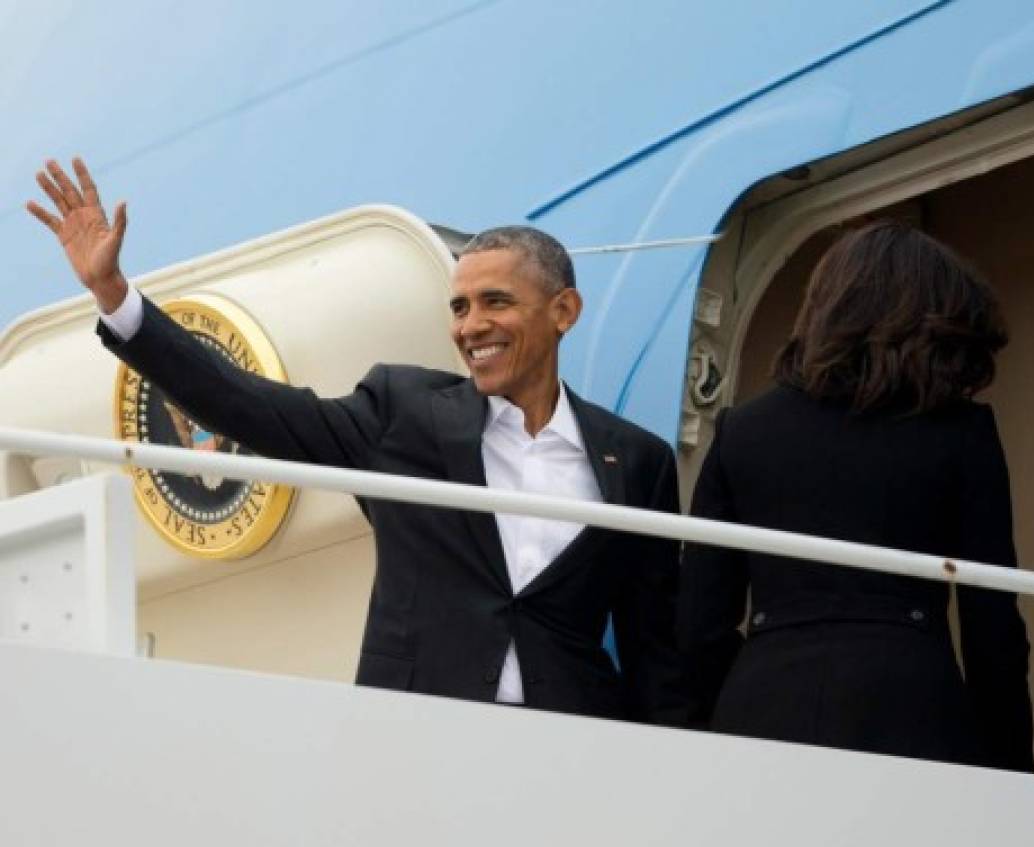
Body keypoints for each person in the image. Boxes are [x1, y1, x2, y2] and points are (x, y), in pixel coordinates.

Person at [29, 157, 692, 725]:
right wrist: (116, 296)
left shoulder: (633, 459)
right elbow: (246, 406)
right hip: (414, 737)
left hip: (575, 744)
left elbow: (657, 649)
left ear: (563, 312)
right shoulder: (404, 413)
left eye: (496, 302)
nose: (471, 325)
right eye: (459, 307)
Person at [678, 220, 1034, 770]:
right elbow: (995, 632)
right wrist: (1015, 774)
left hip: (762, 706)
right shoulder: (963, 434)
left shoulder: (741, 431)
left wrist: (706, 728)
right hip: (914, 711)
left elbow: (700, 624)